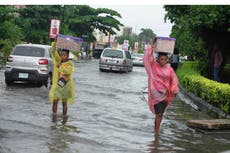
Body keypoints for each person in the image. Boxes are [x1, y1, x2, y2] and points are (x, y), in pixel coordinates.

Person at [143, 44, 179, 135]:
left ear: (167, 60)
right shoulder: (154, 66)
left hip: (165, 95)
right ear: (158, 59)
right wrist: (152, 45)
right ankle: (157, 134)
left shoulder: (169, 69)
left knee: (160, 114)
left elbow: (174, 79)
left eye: (165, 59)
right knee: (159, 114)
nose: (163, 61)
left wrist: (173, 88)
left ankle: (156, 129)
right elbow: (148, 57)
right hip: (156, 94)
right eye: (161, 59)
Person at [49, 41, 75, 120]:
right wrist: (55, 42)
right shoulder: (58, 60)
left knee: (64, 102)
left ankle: (64, 119)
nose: (63, 56)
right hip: (58, 85)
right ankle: (54, 117)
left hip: (66, 85)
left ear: (67, 56)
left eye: (64, 55)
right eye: (62, 54)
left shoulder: (70, 64)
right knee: (55, 101)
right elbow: (53, 51)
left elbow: (68, 72)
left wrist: (60, 66)